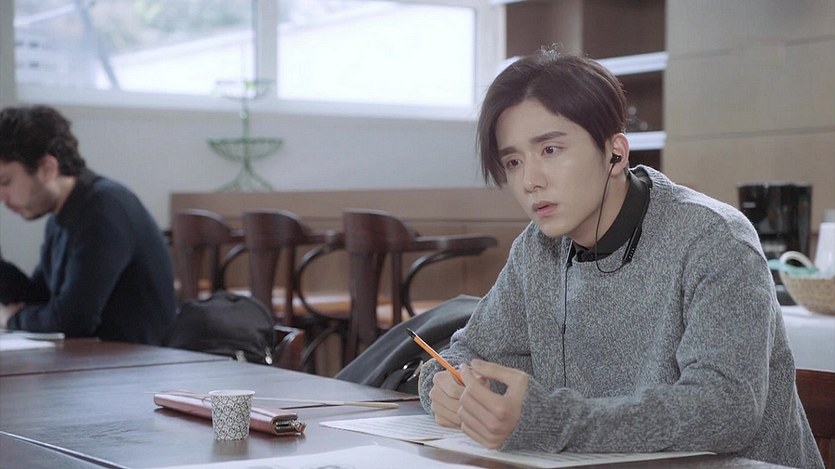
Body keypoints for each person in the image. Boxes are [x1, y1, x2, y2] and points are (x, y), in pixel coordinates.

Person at [417, 47, 823, 468]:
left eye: (550, 150)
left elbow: (725, 411)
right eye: (514, 161)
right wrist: (443, 387)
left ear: (616, 153)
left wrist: (553, 422)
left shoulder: (715, 239)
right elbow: (467, 354)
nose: (530, 181)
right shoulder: (536, 250)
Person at [0, 105, 176, 345]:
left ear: (47, 169)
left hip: (141, 362)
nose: (2, 197)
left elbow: (72, 321)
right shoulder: (61, 215)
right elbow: (43, 300)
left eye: (5, 182)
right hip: (101, 359)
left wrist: (11, 319)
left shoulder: (104, 209)